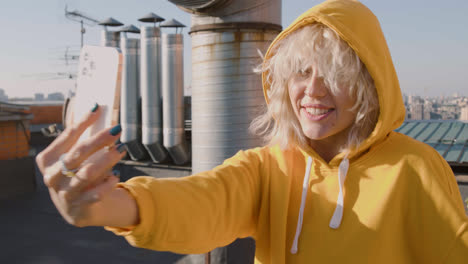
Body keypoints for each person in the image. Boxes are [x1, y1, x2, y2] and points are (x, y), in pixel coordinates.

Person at [36, 0, 468, 263]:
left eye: (334, 74)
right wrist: (111, 206)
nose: (312, 90)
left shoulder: (415, 168)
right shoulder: (271, 166)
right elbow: (203, 201)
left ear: (370, 87)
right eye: (300, 71)